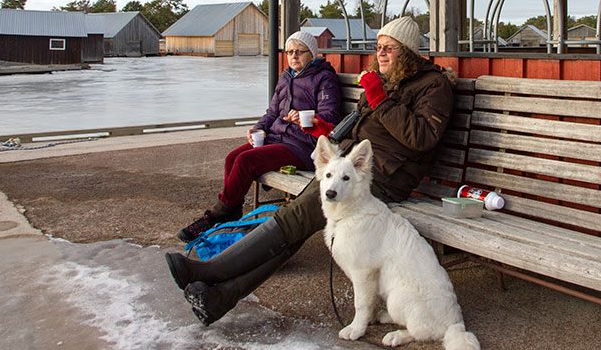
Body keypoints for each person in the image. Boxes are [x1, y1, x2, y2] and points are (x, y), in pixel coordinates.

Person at [165, 16, 456, 326]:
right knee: (295, 222)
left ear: (407, 52)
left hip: (385, 179)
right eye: (379, 46)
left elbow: (422, 138)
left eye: (390, 48)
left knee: (295, 218)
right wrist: (325, 130)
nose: (381, 53)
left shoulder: (433, 86)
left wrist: (380, 100)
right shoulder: (386, 80)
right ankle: (218, 298)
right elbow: (357, 129)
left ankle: (212, 272)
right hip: (349, 172)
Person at [176, 30, 342, 243]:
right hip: (276, 138)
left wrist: (304, 118)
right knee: (232, 158)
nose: (293, 56)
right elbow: (272, 113)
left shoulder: (324, 78)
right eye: (290, 51)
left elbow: (330, 116)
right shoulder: (286, 77)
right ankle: (232, 212)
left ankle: (217, 215)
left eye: (299, 52)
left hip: (301, 144)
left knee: (246, 161)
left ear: (311, 54)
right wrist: (258, 128)